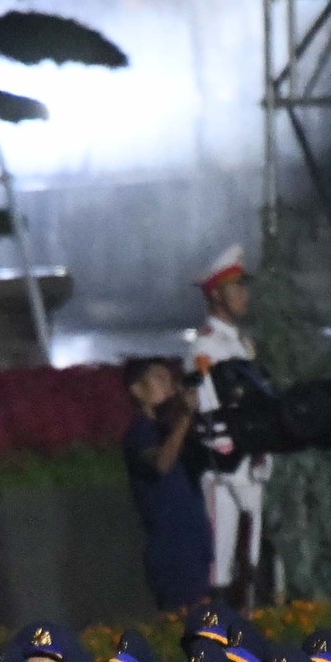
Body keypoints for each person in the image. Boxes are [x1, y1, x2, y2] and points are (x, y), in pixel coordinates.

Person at [190, 246, 273, 604]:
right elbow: (209, 413)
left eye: (244, 286)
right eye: (234, 286)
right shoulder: (207, 345)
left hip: (250, 461)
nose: (243, 294)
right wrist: (238, 457)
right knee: (222, 568)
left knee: (249, 565)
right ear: (215, 293)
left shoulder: (241, 343)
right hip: (226, 466)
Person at [122, 357, 212, 611]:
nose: (169, 386)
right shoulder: (141, 432)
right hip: (173, 552)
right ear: (138, 390)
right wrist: (184, 416)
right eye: (159, 379)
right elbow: (161, 463)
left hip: (195, 545)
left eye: (171, 380)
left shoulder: (171, 430)